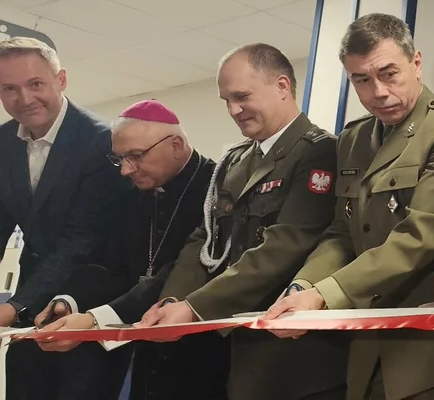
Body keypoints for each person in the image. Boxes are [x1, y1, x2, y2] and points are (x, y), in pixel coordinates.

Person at [263, 13, 434, 400]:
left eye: (389, 73)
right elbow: (341, 233)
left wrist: (324, 294)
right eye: (361, 80)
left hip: (431, 349)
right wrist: (303, 284)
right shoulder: (353, 139)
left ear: (416, 63)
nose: (378, 92)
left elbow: (420, 236)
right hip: (366, 347)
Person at [138, 44, 349, 400]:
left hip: (292, 357)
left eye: (242, 97)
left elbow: (286, 243)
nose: (234, 110)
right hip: (230, 347)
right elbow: (204, 240)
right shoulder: (235, 161)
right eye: (227, 100)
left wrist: (194, 307)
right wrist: (174, 298)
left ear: (282, 86)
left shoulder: (320, 151)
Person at [33, 99, 230, 400]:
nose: (125, 170)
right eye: (119, 159)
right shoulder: (134, 194)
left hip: (204, 352)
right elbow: (111, 265)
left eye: (136, 156)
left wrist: (95, 319)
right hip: (146, 350)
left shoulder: (218, 188)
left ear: (176, 145)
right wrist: (70, 300)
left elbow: (186, 269)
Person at [0, 37, 135, 400]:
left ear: (61, 80)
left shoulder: (102, 142)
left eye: (35, 83)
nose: (24, 98)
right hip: (31, 295)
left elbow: (81, 239)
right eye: (9, 88)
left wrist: (15, 307)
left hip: (89, 297)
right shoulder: (3, 142)